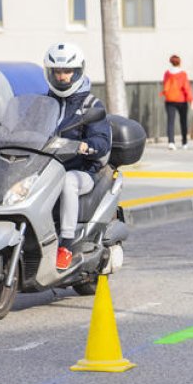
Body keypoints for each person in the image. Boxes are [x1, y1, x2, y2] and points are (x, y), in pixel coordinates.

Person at [43, 42, 113, 271]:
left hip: (81, 170)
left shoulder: (90, 104)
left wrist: (85, 146)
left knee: (68, 182)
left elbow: (102, 141)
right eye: (57, 72)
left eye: (67, 71)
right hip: (45, 167)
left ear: (77, 71)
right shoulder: (44, 103)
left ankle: (66, 244)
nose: (62, 77)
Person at [161, 54, 193, 150]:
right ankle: (184, 142)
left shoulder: (167, 73)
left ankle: (171, 142)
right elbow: (186, 88)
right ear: (179, 63)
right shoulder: (183, 74)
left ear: (171, 62)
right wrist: (191, 100)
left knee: (170, 122)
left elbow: (165, 85)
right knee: (183, 121)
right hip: (181, 101)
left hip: (170, 100)